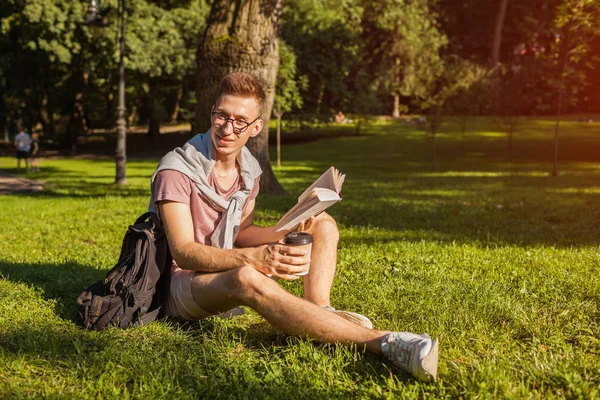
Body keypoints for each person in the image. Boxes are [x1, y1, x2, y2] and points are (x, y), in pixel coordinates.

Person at [150, 72, 439, 382]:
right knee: (246, 277)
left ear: (256, 127)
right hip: (179, 285)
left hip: (219, 267)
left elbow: (242, 232)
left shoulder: (248, 170)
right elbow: (184, 253)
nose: (228, 129)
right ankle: (386, 343)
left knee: (322, 224)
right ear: (212, 113)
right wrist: (254, 258)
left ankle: (320, 312)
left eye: (240, 122)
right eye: (221, 116)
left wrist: (288, 227)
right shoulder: (176, 170)